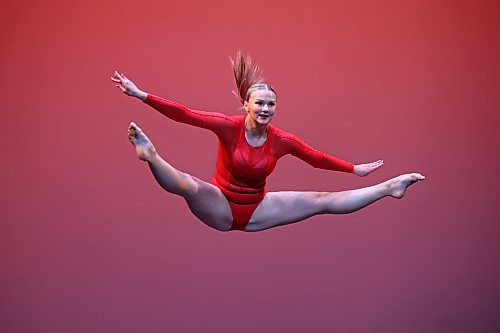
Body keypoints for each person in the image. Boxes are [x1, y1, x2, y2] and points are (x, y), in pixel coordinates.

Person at [110, 52, 425, 232]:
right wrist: (142, 96)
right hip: (219, 204)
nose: (265, 109)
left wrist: (354, 169)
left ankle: (389, 189)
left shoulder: (281, 140)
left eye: (270, 105)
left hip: (259, 210)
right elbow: (185, 114)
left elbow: (315, 158)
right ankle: (150, 155)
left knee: (322, 200)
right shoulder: (227, 126)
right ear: (246, 104)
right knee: (188, 185)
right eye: (259, 103)